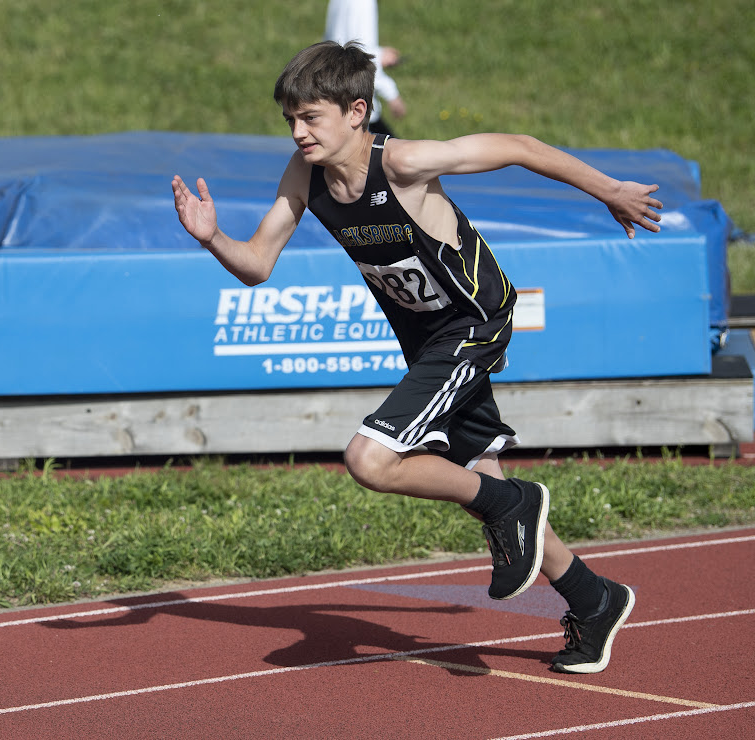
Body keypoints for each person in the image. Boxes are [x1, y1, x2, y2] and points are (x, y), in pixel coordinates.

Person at [172, 41, 663, 673]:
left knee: (371, 458)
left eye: (310, 117)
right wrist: (213, 238)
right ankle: (594, 600)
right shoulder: (306, 177)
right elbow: (257, 266)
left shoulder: (404, 162)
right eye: (290, 119)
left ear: (357, 111)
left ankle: (510, 507)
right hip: (426, 342)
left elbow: (519, 145)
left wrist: (610, 190)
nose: (297, 133)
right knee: (480, 479)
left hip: (473, 323)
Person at [324, 0, 405, 135]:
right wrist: (392, 94)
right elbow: (363, 56)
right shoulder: (363, 3)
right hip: (359, 105)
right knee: (391, 153)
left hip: (338, 93)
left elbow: (339, 43)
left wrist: (380, 53)